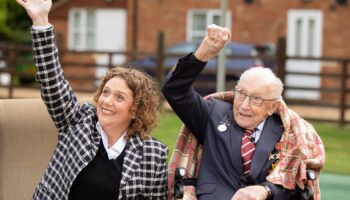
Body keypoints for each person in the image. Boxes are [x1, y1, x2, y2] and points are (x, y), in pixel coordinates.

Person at [16, 0, 168, 199]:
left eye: (119, 97)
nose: (106, 101)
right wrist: (41, 20)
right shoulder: (77, 121)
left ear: (135, 109)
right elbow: (51, 80)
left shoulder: (153, 154)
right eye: (105, 92)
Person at [162, 24, 325, 200]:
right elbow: (175, 90)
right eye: (241, 94)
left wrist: (266, 190)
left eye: (256, 99)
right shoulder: (213, 113)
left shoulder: (288, 132)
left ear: (272, 106)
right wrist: (203, 53)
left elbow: (295, 184)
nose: (244, 105)